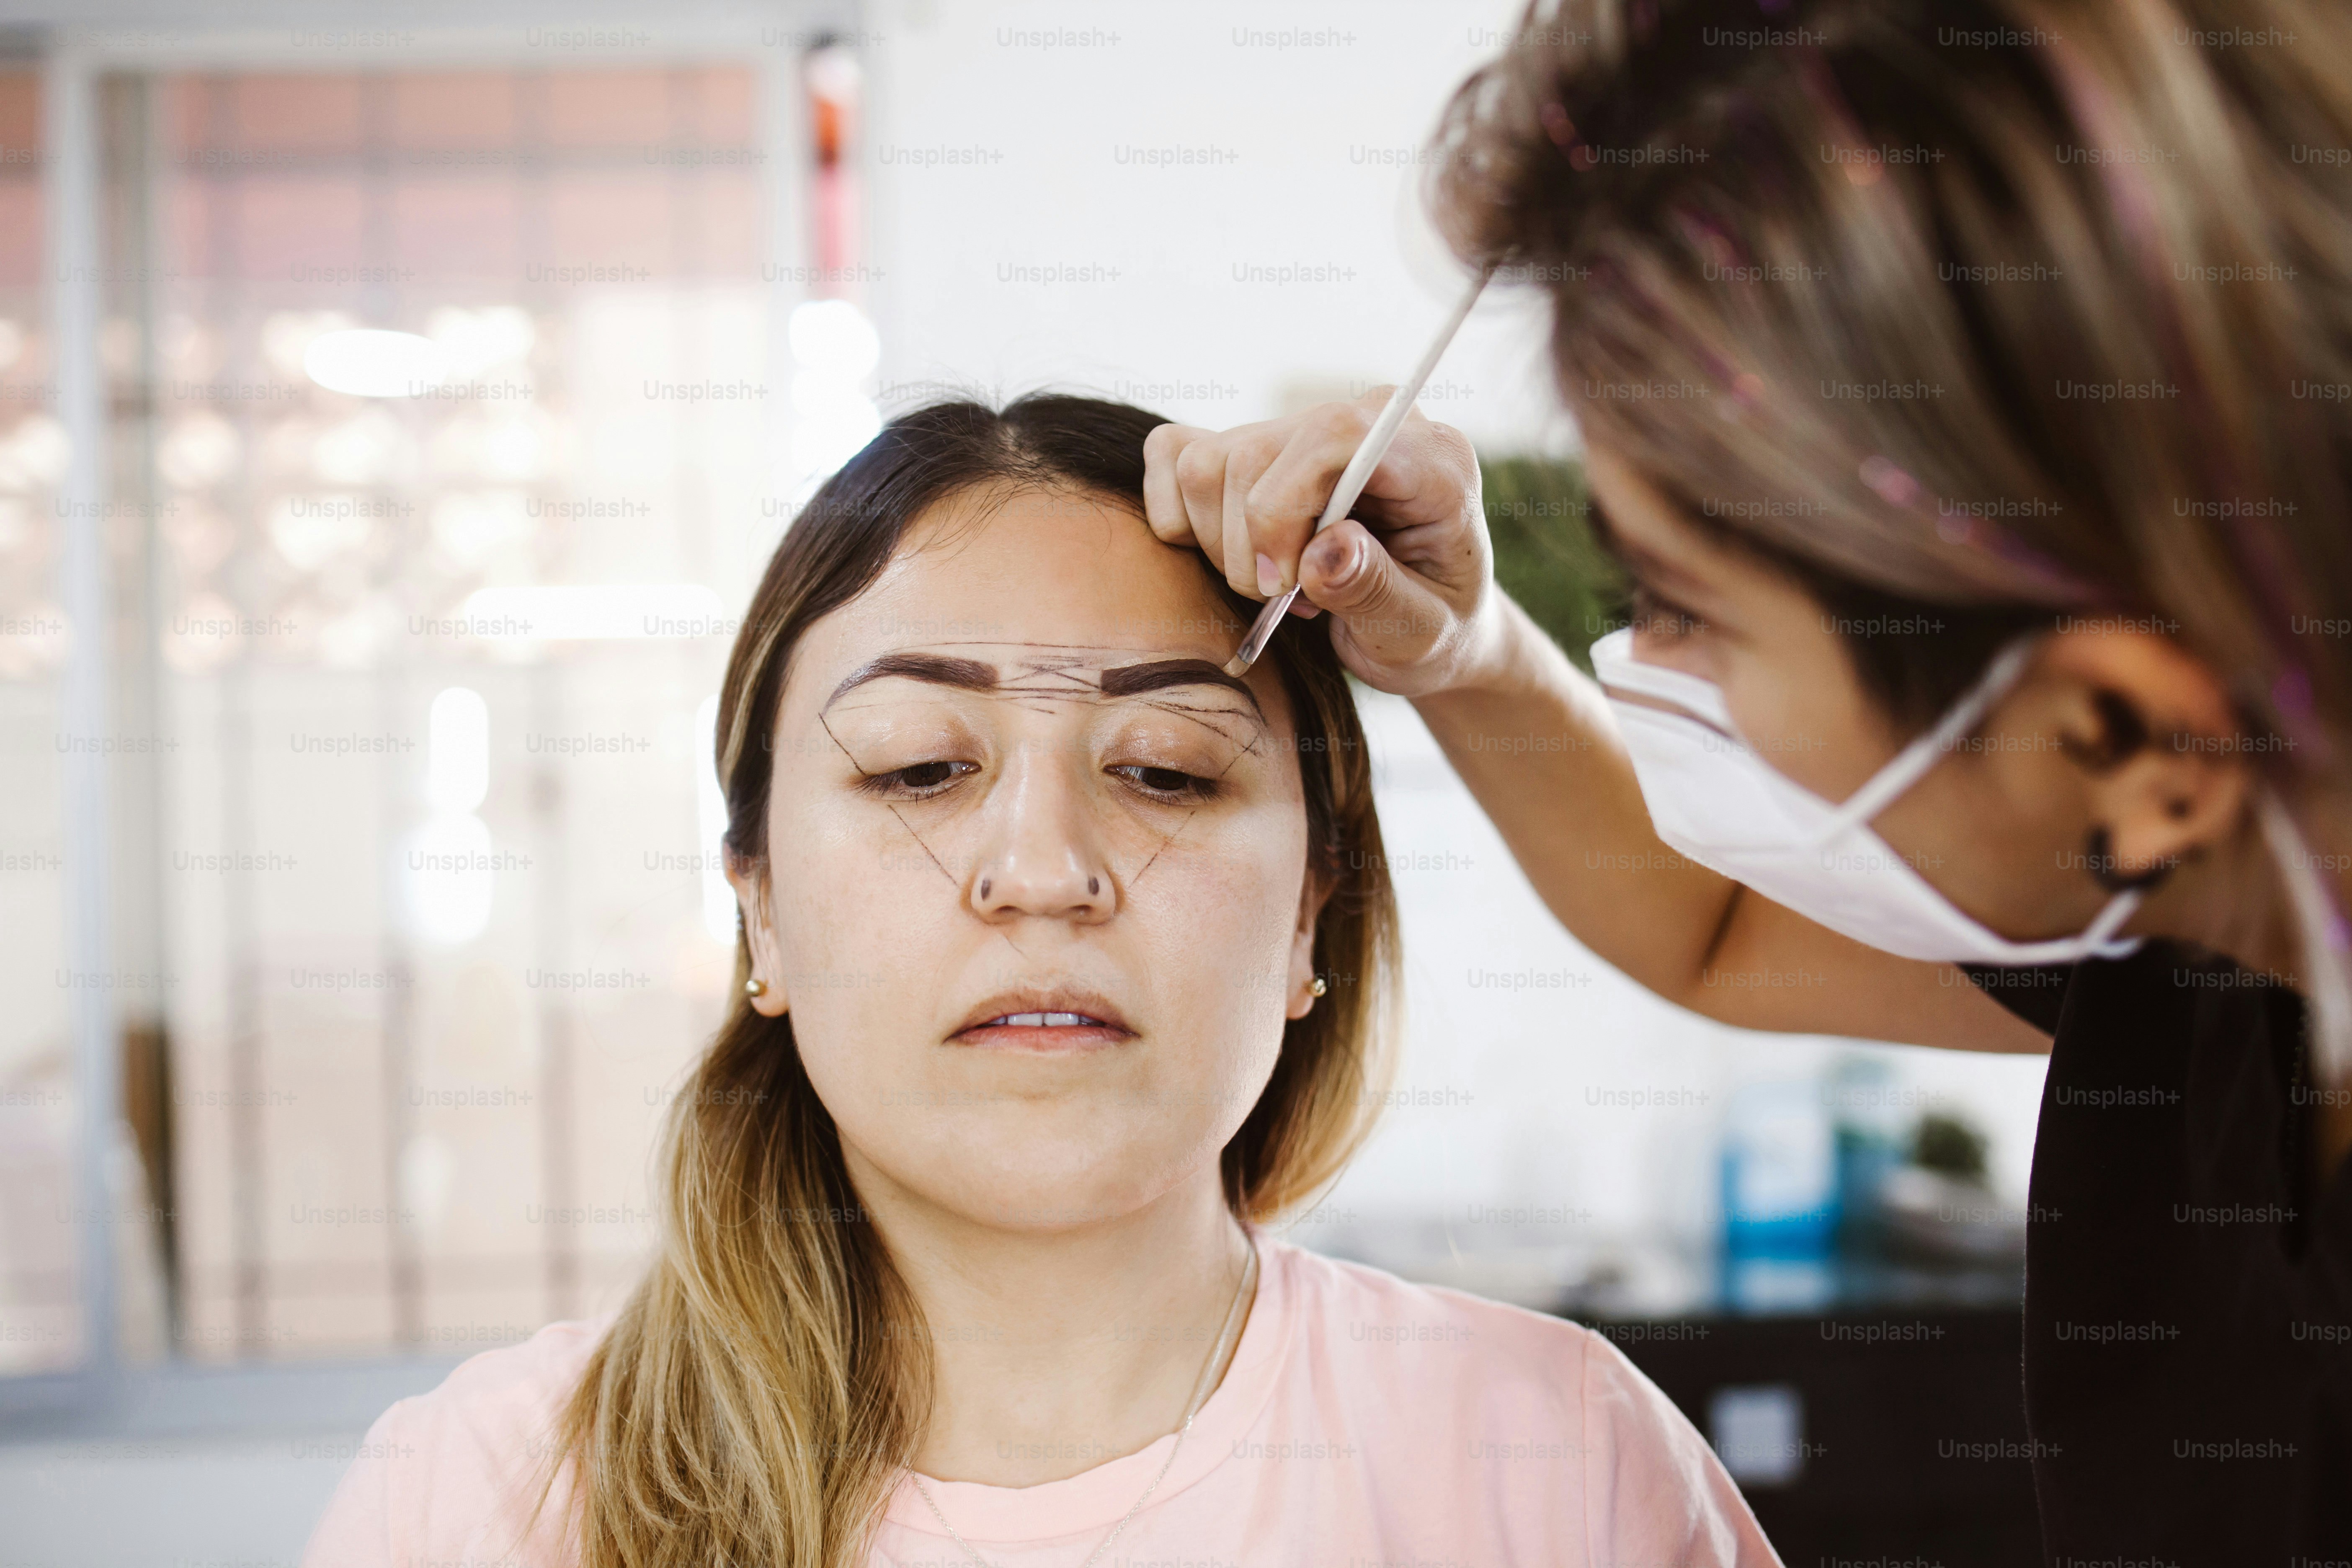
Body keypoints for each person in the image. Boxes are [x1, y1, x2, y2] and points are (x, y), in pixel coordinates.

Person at [1140, 0, 2352, 1562]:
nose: (1646, 658)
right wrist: (1466, 654)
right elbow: (1710, 924)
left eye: (1686, 606)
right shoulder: (2208, 943)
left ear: (2113, 738)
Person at [298, 396, 1778, 1568]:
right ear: (757, 912)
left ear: (1312, 918)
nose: (1045, 869)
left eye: (1166, 770)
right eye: (922, 768)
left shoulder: (1554, 1460)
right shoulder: (481, 1499)